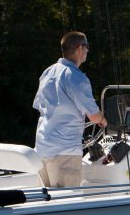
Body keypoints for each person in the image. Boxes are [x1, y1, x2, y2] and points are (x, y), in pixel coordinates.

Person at [33, 31, 107, 187]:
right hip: (64, 150)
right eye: (87, 46)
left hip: (42, 148)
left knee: (48, 201)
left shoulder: (48, 72)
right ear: (79, 48)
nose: (88, 50)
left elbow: (42, 107)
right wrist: (103, 120)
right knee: (67, 201)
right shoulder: (76, 77)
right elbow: (94, 116)